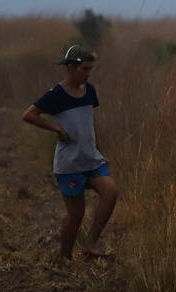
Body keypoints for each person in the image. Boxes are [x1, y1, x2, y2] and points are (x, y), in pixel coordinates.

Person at [21, 45, 119, 260]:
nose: (88, 73)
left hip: (92, 159)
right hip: (70, 164)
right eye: (84, 69)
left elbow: (89, 123)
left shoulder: (90, 91)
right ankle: (64, 258)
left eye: (90, 69)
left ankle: (90, 243)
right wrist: (55, 128)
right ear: (70, 68)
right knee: (76, 215)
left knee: (111, 192)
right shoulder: (56, 94)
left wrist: (99, 150)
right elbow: (29, 115)